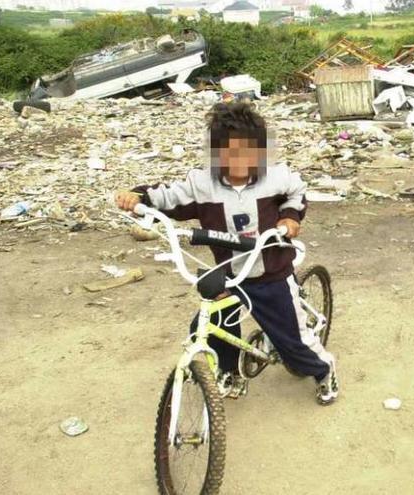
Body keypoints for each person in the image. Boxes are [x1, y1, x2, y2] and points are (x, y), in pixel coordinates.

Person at [114, 102, 338, 406]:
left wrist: (290, 218)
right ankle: (229, 371)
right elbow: (165, 196)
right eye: (229, 152)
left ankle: (325, 371)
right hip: (231, 271)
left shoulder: (275, 178)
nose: (239, 160)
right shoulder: (202, 184)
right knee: (208, 325)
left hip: (270, 273)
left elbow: (296, 194)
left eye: (248, 151)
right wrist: (137, 196)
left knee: (293, 344)